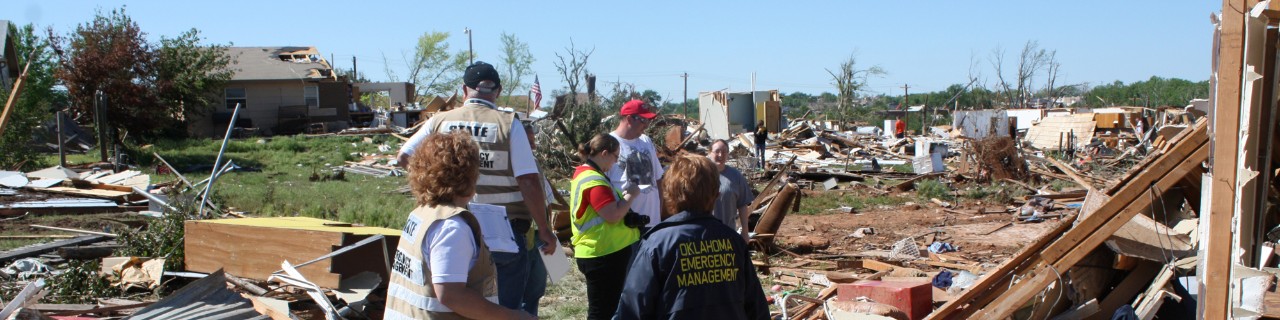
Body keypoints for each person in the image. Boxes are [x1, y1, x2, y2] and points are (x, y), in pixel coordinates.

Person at [396, 61, 555, 311]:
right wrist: (544, 228)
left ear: (464, 90)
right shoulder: (508, 124)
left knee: (465, 302)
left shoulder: (440, 121)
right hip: (505, 230)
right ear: (498, 91)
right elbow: (528, 180)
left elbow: (405, 156)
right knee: (504, 307)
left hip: (454, 220)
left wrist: (432, 187)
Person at [386, 130, 534, 320]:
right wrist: (512, 316)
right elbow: (451, 295)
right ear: (469, 174)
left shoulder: (422, 214)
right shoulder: (452, 228)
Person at [615, 155, 769, 320]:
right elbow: (756, 308)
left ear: (669, 195)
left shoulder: (656, 244)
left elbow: (632, 310)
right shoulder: (733, 241)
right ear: (716, 195)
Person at [570, 133, 643, 320]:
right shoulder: (593, 180)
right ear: (604, 153)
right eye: (615, 157)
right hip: (602, 253)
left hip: (602, 251)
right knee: (602, 312)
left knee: (605, 309)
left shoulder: (588, 174)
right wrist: (631, 195)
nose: (615, 162)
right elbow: (612, 215)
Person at [608, 99, 664, 232]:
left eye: (648, 121)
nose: (646, 125)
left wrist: (659, 212)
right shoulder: (609, 143)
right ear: (629, 119)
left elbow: (658, 179)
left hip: (652, 222)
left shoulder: (646, 141)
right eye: (643, 120)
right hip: (625, 225)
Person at [706, 139, 756, 241]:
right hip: (706, 234)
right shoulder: (701, 175)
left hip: (728, 233)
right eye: (717, 151)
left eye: (724, 152)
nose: (720, 155)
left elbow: (742, 205)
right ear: (710, 153)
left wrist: (745, 232)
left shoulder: (735, 176)